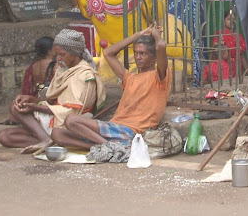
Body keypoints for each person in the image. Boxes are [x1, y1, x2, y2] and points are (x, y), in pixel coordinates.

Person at [50, 24, 171, 161]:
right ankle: (107, 146)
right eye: (136, 53)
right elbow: (108, 53)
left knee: (71, 121)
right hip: (115, 129)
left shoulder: (159, 77)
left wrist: (155, 34)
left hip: (131, 131)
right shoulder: (129, 77)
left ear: (154, 57)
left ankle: (107, 146)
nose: (138, 57)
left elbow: (161, 46)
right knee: (57, 134)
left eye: (142, 53)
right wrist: (138, 35)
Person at [0, 29, 105, 154]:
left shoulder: (84, 75)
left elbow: (71, 111)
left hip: (70, 122)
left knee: (15, 108)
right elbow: (53, 102)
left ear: (75, 54)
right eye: (56, 55)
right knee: (4, 136)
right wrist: (32, 101)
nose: (58, 59)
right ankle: (49, 140)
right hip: (54, 118)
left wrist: (35, 107)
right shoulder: (62, 69)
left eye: (62, 55)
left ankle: (45, 140)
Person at [211, 9, 248, 76]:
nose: (231, 21)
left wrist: (247, 71)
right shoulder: (220, 34)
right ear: (224, 20)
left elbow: (241, 56)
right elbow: (215, 53)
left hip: (237, 69)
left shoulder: (238, 36)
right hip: (224, 68)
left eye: (233, 19)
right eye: (229, 19)